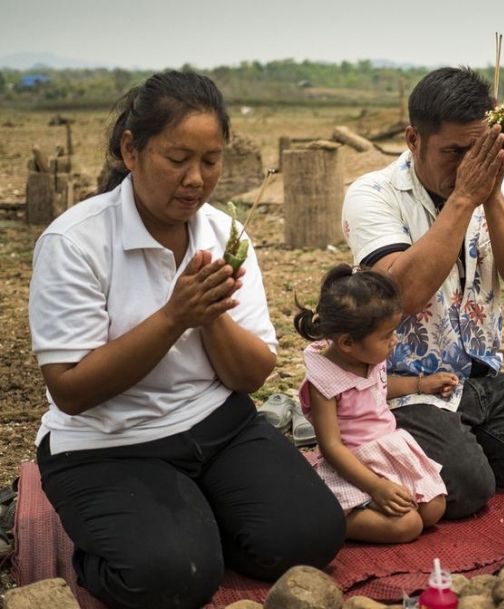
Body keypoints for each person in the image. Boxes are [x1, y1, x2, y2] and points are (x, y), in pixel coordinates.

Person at [28, 71, 345, 609]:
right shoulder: (74, 242)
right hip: (108, 445)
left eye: (210, 161)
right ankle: (111, 547)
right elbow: (72, 391)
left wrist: (209, 315)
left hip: (215, 423)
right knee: (171, 577)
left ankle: (190, 517)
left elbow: (249, 376)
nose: (196, 179)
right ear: (131, 149)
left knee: (310, 537)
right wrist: (175, 315)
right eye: (177, 160)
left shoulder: (226, 235)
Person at [341, 67, 504, 519]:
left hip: (479, 377)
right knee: (468, 486)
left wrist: (489, 192)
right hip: (403, 386)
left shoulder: (499, 188)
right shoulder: (372, 193)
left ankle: (447, 447)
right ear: (413, 139)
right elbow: (403, 295)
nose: (467, 165)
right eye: (454, 152)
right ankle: (390, 441)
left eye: (479, 151)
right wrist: (464, 198)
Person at [294, 264, 455, 543]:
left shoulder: (367, 355)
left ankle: (372, 508)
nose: (394, 340)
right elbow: (332, 447)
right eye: (386, 335)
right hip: (353, 466)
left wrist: (420, 384)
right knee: (407, 526)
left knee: (434, 508)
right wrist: (376, 487)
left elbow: (378, 387)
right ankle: (337, 517)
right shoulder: (325, 382)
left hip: (387, 452)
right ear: (346, 343)